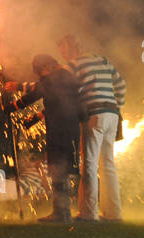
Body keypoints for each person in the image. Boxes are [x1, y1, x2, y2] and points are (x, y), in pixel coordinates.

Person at [5, 54, 85, 223]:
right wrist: (34, 119)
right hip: (72, 129)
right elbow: (61, 104)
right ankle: (64, 212)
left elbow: (33, 95)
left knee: (57, 169)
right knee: (63, 169)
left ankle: (61, 213)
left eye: (39, 72)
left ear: (46, 67)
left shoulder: (50, 80)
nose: (40, 76)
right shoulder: (70, 78)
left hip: (58, 130)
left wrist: (11, 107)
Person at [57, 35, 125, 222]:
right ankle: (114, 214)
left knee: (89, 164)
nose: (62, 54)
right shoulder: (103, 60)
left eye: (62, 49)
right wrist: (117, 108)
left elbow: (61, 89)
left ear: (71, 47)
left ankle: (89, 213)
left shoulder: (73, 65)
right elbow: (121, 85)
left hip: (94, 115)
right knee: (108, 164)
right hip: (112, 114)